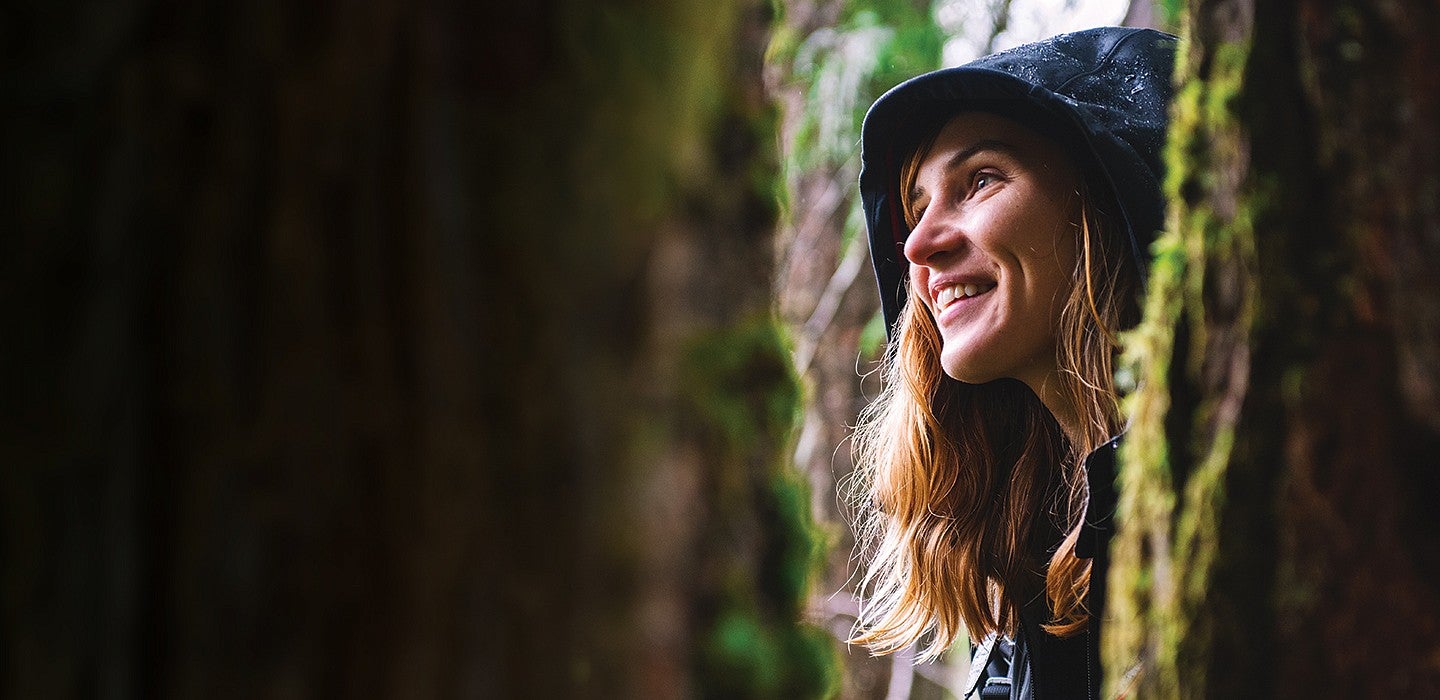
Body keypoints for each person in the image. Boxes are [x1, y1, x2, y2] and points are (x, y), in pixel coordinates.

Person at [847, 27, 1177, 699]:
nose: (919, 246)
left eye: (980, 181)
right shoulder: (1027, 580)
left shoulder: (1252, 506)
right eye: (916, 209)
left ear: (1108, 200)